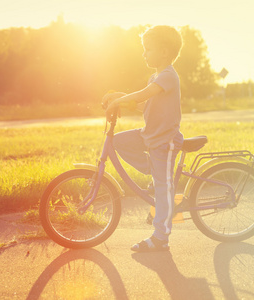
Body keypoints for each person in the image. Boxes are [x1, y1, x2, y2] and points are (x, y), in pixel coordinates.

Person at [102, 25, 184, 252]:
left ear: (165, 52)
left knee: (163, 187)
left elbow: (144, 94)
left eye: (148, 49)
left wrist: (120, 100)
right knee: (118, 141)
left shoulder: (168, 75)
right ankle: (153, 171)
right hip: (149, 135)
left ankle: (161, 237)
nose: (144, 53)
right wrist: (120, 97)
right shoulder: (155, 76)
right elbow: (144, 104)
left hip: (164, 141)